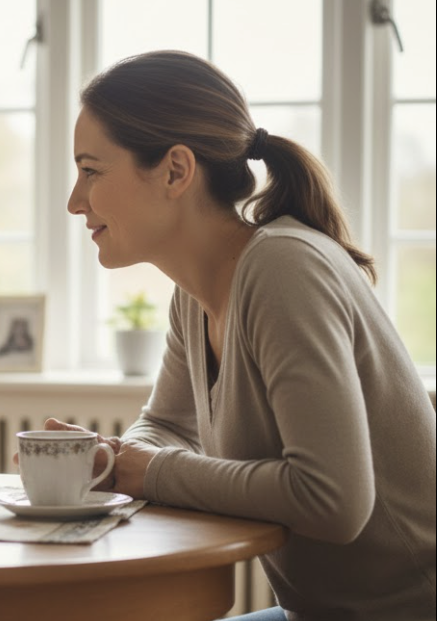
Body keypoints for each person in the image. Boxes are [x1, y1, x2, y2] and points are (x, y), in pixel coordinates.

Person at [56, 50, 435, 620]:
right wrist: (118, 459)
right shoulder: (195, 291)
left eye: (92, 170)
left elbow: (333, 500)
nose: (74, 201)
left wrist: (146, 470)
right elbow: (165, 425)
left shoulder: (284, 268)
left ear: (176, 171)